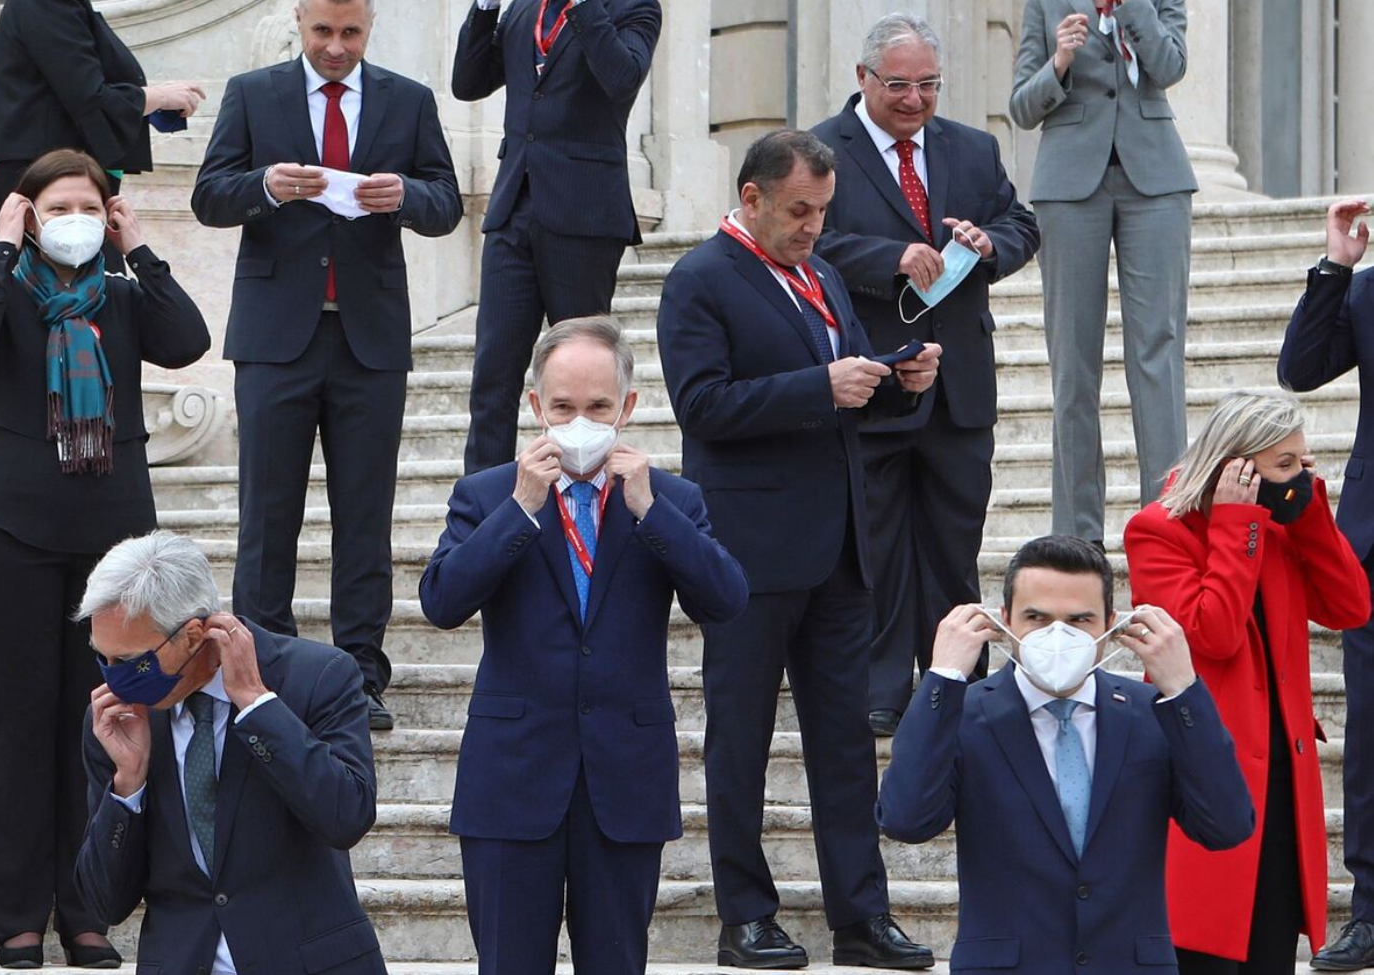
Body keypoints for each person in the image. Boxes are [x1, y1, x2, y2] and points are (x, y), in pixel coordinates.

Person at [652, 129, 940, 970]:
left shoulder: (818, 276)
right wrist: (820, 385)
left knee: (847, 741)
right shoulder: (700, 279)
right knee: (739, 737)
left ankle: (862, 916)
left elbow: (842, 402)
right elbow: (701, 405)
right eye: (799, 209)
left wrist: (896, 380)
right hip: (746, 552)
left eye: (823, 209)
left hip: (839, 547)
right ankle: (744, 915)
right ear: (752, 198)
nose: (815, 226)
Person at [0, 147, 211, 969]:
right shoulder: (9, 294)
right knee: (21, 727)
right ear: (28, 215)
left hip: (115, 545)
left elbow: (189, 339)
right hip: (12, 535)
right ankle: (18, 915)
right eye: (57, 207)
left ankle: (88, 909)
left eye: (89, 207)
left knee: (100, 725)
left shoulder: (124, 300)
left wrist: (142, 250)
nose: (74, 222)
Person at [418, 317, 748, 974]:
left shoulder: (668, 498)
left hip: (624, 781)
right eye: (563, 406)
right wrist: (521, 506)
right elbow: (442, 599)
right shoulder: (487, 495)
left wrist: (652, 511)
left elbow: (726, 599)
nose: (579, 421)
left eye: (597, 406)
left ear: (626, 407)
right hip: (512, 781)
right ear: (536, 405)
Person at [191, 0, 462, 731]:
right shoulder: (255, 94)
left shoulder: (408, 100)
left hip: (369, 339)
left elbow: (447, 202)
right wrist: (267, 188)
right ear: (300, 25)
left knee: (365, 516)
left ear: (369, 28)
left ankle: (360, 676)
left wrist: (406, 195)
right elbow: (209, 196)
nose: (336, 48)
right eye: (323, 33)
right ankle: (261, 667)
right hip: (276, 337)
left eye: (350, 34)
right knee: (267, 515)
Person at [808, 13, 1040, 737]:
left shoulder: (971, 147)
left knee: (953, 540)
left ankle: (961, 676)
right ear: (864, 79)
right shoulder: (820, 150)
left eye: (928, 86)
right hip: (872, 374)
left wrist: (988, 243)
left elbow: (1021, 224)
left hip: (960, 382)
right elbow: (807, 241)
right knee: (874, 543)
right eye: (899, 85)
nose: (914, 100)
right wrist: (893, 258)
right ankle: (881, 687)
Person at [877, 536, 1257, 974]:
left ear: (1112, 624)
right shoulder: (963, 713)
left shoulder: (1153, 713)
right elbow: (906, 819)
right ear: (1004, 621)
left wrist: (1184, 690)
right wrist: (942, 677)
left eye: (1080, 620)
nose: (1057, 635)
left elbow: (1227, 825)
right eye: (1036, 618)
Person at [1124, 392, 1372, 973]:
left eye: (1304, 463)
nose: (1299, 477)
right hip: (1203, 772)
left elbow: (1351, 605)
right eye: (1285, 465)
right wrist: (1237, 527)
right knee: (1202, 946)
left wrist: (1310, 512)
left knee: (1270, 949)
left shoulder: (1280, 527)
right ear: (1234, 466)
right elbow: (1213, 634)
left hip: (1283, 776)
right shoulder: (1158, 531)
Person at [74, 531, 384, 975]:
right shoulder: (117, 723)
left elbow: (347, 816)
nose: (115, 679)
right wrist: (128, 785)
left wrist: (258, 706)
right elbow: (105, 901)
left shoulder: (317, 677)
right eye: (104, 660)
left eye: (132, 663)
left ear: (193, 634)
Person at [1010, 0, 1193, 546]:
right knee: (1072, 363)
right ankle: (1074, 539)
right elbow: (1022, 106)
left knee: (1158, 356)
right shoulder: (1044, 4)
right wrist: (1060, 61)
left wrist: (1134, 8)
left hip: (1156, 180)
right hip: (1068, 186)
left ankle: (1166, 527)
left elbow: (1170, 66)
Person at [449, 0, 659, 473]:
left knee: (586, 378)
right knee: (492, 379)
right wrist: (484, 7)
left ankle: (584, 512)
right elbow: (468, 82)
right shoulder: (525, 9)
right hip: (513, 208)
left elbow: (621, 78)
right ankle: (481, 515)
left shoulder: (636, 8)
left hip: (583, 215)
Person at [1276, 197, 1374, 971]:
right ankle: (1370, 908)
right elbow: (1301, 369)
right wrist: (1337, 264)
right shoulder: (1366, 290)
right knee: (1370, 737)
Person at [0, 0, 203, 211]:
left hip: (63, 177)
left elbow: (76, 85)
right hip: (51, 179)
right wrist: (159, 96)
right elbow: (89, 98)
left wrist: (153, 96)